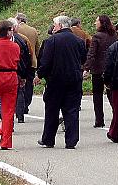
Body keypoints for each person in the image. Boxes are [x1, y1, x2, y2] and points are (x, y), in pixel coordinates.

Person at [35, 15, 87, 149]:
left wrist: (39, 75)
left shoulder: (51, 41)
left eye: (54, 24)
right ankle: (71, 140)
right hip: (74, 79)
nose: (53, 27)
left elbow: (45, 62)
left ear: (60, 25)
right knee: (72, 110)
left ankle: (48, 139)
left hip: (55, 80)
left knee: (52, 110)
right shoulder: (79, 41)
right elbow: (83, 59)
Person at [0, 20, 26, 150]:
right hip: (10, 77)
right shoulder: (15, 46)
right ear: (8, 31)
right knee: (8, 110)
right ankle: (6, 142)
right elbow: (20, 63)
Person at [83, 15, 118, 128]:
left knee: (97, 95)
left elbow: (92, 54)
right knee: (112, 94)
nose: (95, 23)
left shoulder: (97, 36)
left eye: (97, 21)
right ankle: (117, 116)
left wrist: (87, 68)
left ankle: (99, 119)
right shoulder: (114, 36)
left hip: (98, 69)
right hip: (112, 68)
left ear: (102, 23)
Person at [9, 17, 34, 123]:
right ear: (15, 27)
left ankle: (3, 115)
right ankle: (20, 115)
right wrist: (24, 73)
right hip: (18, 69)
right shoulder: (23, 38)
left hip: (3, 70)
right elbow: (28, 56)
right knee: (20, 92)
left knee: (4, 95)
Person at [15, 13, 40, 121]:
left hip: (20, 61)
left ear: (18, 20)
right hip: (32, 61)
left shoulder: (16, 31)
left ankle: (19, 106)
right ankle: (26, 104)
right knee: (29, 84)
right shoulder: (33, 30)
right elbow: (37, 46)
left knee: (19, 85)